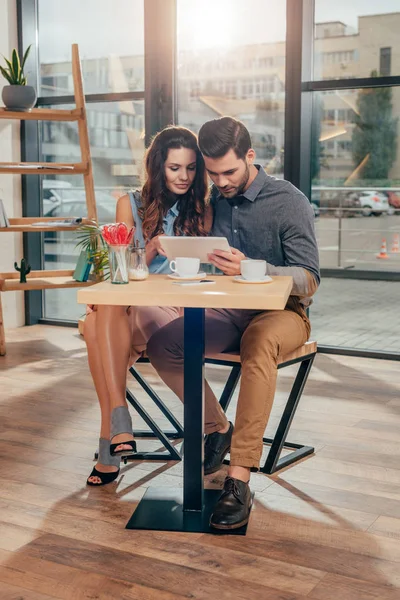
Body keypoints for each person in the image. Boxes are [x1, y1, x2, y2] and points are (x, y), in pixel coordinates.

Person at [147, 116, 320, 529]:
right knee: (164, 344)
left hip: (284, 314)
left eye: (229, 171)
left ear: (250, 157)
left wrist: (254, 268)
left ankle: (239, 479)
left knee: (257, 345)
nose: (221, 181)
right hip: (230, 311)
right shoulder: (215, 201)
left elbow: (310, 279)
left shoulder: (288, 200)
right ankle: (217, 428)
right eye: (213, 172)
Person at [85, 126, 211, 486]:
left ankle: (112, 435)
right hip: (131, 305)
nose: (184, 176)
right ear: (158, 167)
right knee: (103, 315)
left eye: (190, 168)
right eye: (174, 168)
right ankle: (119, 420)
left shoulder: (202, 209)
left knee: (95, 325)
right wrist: (151, 248)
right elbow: (122, 269)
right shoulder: (130, 203)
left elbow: (201, 270)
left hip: (171, 308)